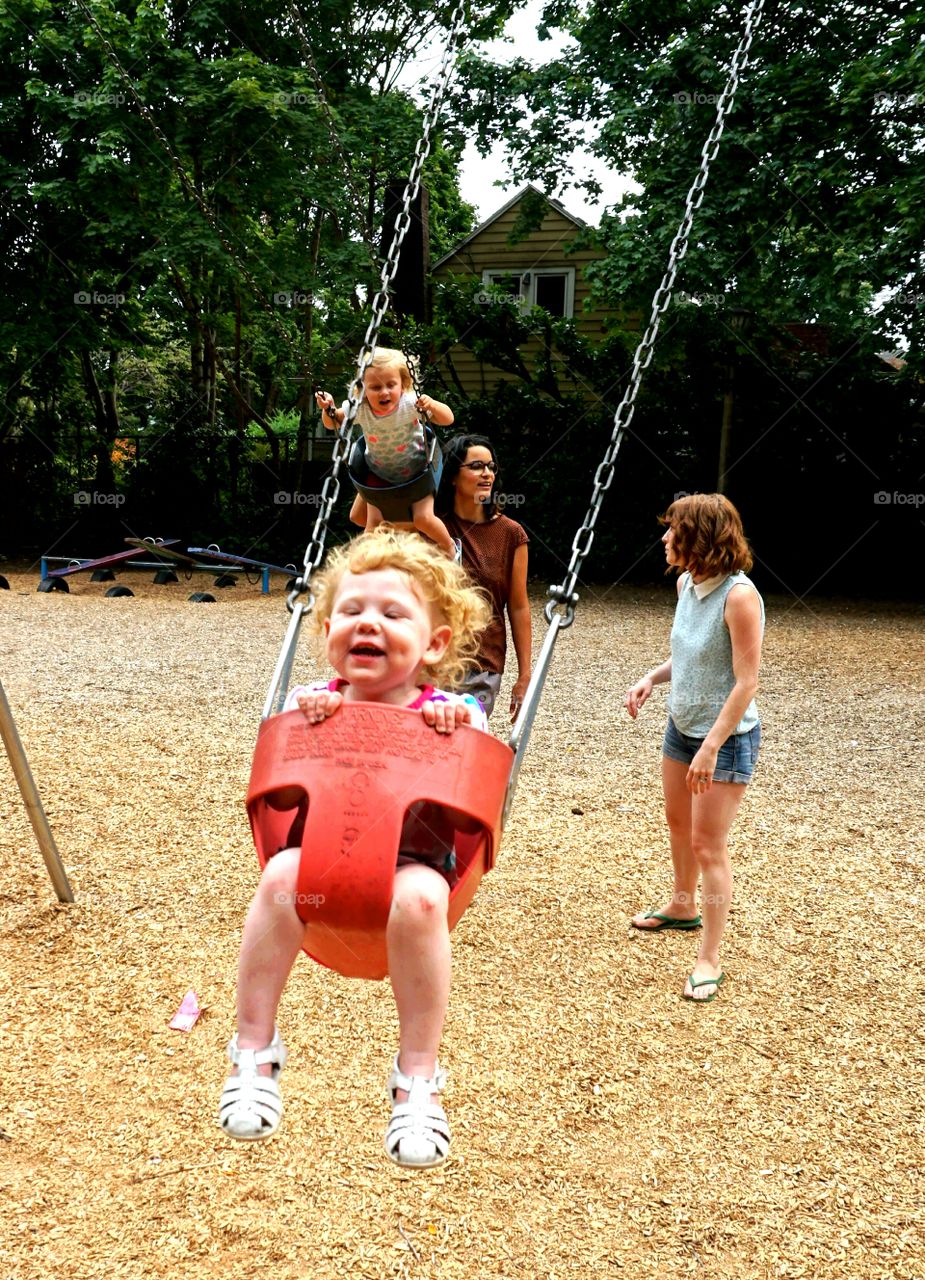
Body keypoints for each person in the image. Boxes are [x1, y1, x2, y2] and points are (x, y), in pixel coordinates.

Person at [218, 529, 491, 1167]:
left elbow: (474, 761)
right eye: (352, 611)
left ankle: (416, 1078)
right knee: (281, 875)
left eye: (394, 614)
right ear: (329, 629)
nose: (369, 622)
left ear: (435, 644)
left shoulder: (448, 710)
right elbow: (280, 804)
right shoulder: (312, 704)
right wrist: (305, 717)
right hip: (323, 865)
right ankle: (254, 1051)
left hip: (413, 868)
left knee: (423, 900)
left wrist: (453, 723)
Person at [623, 493, 764, 1003]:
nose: (664, 538)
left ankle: (710, 959)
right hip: (681, 728)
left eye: (672, 529)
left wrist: (710, 748)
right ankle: (683, 905)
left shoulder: (739, 597)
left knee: (709, 846)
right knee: (678, 825)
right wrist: (651, 679)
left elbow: (746, 682)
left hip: (723, 740)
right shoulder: (687, 583)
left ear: (700, 538)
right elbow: (689, 655)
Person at [315, 348, 457, 557]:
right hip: (379, 474)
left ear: (403, 385)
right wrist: (328, 409)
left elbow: (448, 419)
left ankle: (451, 549)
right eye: (375, 387)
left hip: (417, 471)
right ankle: (361, 566)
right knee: (372, 526)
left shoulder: (410, 404)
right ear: (363, 390)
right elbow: (333, 423)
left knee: (423, 519)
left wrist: (432, 405)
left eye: (391, 385)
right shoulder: (360, 408)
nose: (384, 392)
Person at [435, 434, 531, 721]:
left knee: (462, 744)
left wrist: (525, 675)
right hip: (428, 661)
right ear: (452, 475)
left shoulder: (511, 534)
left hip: (481, 664)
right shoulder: (430, 524)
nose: (487, 473)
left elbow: (518, 606)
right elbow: (362, 517)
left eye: (491, 466)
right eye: (476, 466)